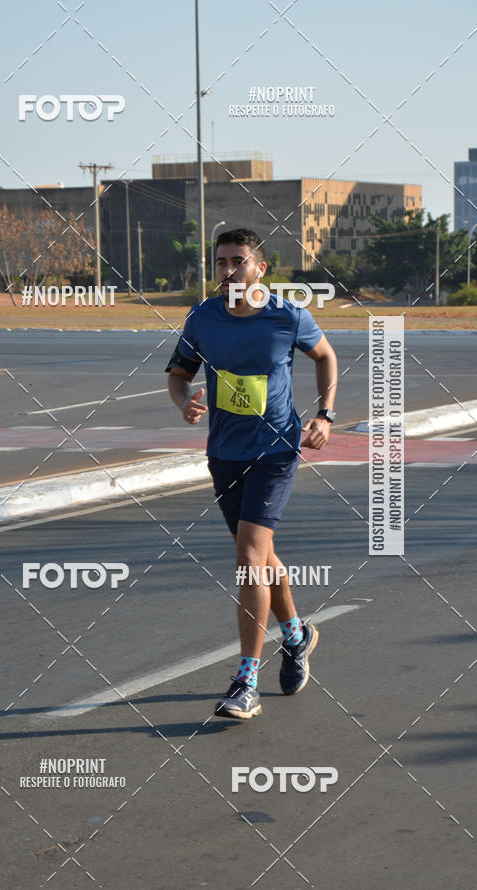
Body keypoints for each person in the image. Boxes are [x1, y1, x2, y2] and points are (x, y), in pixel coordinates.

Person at [165, 228, 338, 719]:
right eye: (220, 263)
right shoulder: (203, 317)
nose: (227, 271)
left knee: (247, 557)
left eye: (237, 261)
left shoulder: (288, 316)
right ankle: (298, 635)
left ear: (260, 267)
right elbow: (179, 374)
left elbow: (325, 356)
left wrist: (324, 415)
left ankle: (246, 681)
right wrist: (186, 405)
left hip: (275, 451)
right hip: (224, 453)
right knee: (262, 557)